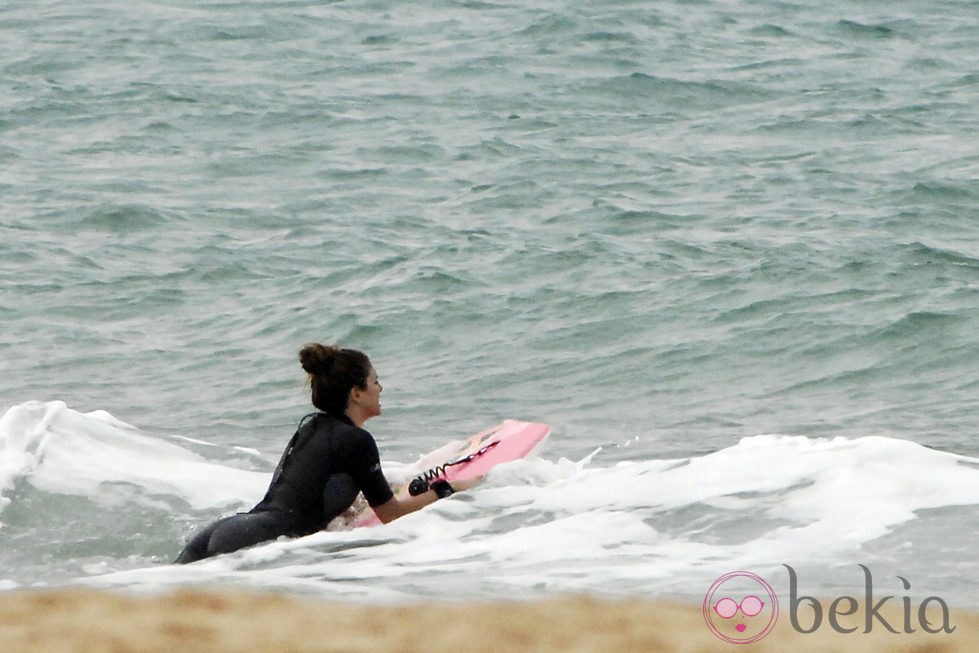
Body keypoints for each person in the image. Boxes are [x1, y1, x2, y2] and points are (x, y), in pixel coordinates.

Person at [175, 343, 474, 564]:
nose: (380, 388)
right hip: (255, 542)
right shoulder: (357, 440)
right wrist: (447, 490)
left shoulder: (311, 427)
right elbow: (391, 515)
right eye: (375, 381)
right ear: (356, 393)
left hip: (227, 530)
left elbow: (306, 493)